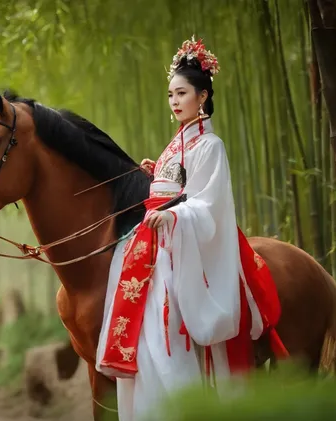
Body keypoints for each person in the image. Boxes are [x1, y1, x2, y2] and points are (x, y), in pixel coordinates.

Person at [95, 38, 283, 419]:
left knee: (160, 331)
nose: (174, 101)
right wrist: (156, 177)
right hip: (156, 241)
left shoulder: (210, 146)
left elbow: (207, 202)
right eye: (170, 94)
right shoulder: (177, 144)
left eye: (182, 93)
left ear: (203, 96)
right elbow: (177, 188)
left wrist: (175, 215)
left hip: (179, 243)